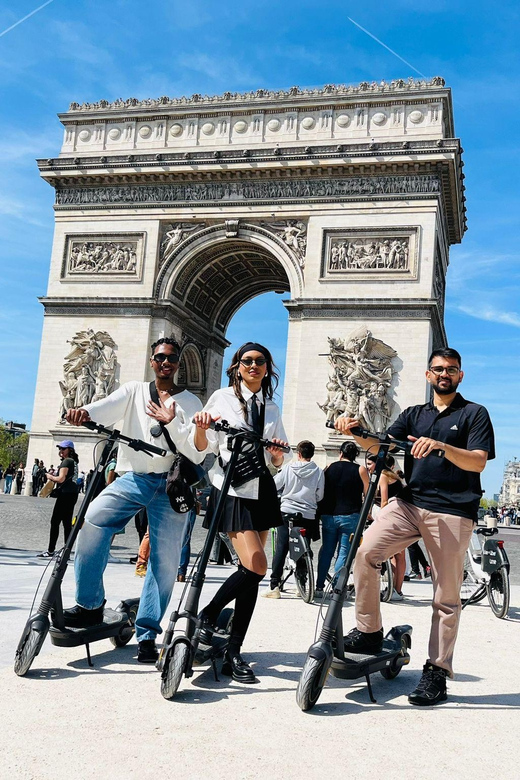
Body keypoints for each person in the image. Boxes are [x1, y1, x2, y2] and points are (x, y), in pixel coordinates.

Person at [336, 347, 495, 706]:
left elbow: (479, 462)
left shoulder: (474, 414)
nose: (444, 374)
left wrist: (441, 446)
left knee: (446, 596)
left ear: (460, 375)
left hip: (452, 511)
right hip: (409, 502)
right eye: (438, 369)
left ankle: (437, 671)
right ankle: (369, 631)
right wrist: (358, 431)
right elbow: (383, 446)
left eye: (451, 369)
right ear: (427, 375)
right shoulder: (412, 414)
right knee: (365, 552)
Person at [61, 337, 204, 664]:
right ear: (151, 360)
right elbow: (104, 407)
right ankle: (89, 604)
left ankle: (147, 633)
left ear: (178, 364)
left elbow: (199, 450)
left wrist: (175, 422)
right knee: (93, 520)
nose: (165, 362)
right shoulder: (132, 391)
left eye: (170, 358)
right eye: (159, 357)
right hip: (134, 478)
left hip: (171, 485)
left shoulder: (192, 403)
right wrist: (84, 411)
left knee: (164, 562)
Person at [192, 342, 290, 683]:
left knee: (252, 574)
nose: (253, 366)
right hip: (232, 487)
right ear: (236, 366)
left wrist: (277, 455)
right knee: (257, 565)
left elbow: (278, 458)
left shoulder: (272, 407)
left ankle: (235, 650)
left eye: (260, 361)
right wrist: (201, 426)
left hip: (262, 488)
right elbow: (202, 447)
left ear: (267, 368)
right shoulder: (220, 398)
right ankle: (208, 614)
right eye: (247, 361)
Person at [263, 440, 324, 599]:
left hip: (287, 511)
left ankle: (274, 585)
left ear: (298, 453)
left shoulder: (289, 468)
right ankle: (302, 584)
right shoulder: (318, 471)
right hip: (308, 514)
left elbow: (275, 485)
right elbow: (320, 495)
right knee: (304, 549)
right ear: (312, 454)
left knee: (281, 547)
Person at [314, 441, 369, 598]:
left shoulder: (330, 467)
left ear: (340, 453)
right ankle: (337, 589)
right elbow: (368, 493)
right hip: (350, 515)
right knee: (343, 553)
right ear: (355, 455)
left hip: (329, 515)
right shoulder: (360, 469)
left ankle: (319, 587)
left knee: (326, 551)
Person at [37, 442, 79, 558]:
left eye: (63, 449)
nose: (60, 451)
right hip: (72, 494)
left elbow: (61, 479)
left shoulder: (67, 461)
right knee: (66, 523)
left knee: (55, 522)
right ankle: (67, 551)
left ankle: (51, 550)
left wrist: (49, 477)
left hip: (65, 494)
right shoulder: (73, 462)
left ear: (70, 450)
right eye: (60, 448)